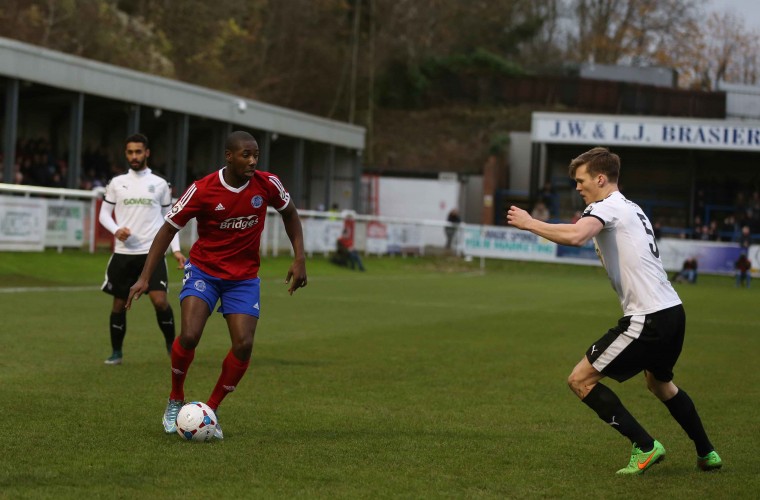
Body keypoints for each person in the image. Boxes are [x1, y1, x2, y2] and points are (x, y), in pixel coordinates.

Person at [507, 147, 721, 475]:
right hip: (673, 312)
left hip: (647, 317)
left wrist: (530, 223)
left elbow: (578, 236)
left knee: (580, 380)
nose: (577, 187)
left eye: (581, 180)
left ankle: (645, 446)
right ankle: (707, 452)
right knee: (660, 385)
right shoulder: (630, 208)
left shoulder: (606, 207)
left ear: (601, 179)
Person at [126, 130, 307, 439]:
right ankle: (175, 397)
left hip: (244, 278)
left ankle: (209, 410)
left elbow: (290, 214)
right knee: (191, 335)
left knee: (244, 344)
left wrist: (299, 257)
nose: (252, 161)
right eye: (245, 155)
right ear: (229, 156)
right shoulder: (202, 190)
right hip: (204, 273)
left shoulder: (267, 184)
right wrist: (145, 276)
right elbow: (168, 229)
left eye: (256, 155)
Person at [99, 133, 186, 365]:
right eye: (130, 152)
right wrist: (117, 230)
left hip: (152, 253)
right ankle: (116, 352)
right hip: (123, 253)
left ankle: (171, 347)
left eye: (138, 152)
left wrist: (176, 250)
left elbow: (171, 220)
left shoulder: (160, 183)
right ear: (126, 154)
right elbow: (103, 215)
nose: (134, 156)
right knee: (119, 304)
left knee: (160, 301)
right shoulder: (116, 183)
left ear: (147, 153)